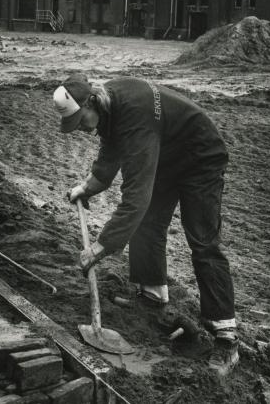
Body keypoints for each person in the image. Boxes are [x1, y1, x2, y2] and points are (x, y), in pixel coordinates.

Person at [52, 73, 240, 374]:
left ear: (91, 102)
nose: (83, 130)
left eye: (81, 121)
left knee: (202, 241)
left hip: (200, 156)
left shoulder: (134, 117)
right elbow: (110, 153)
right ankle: (152, 297)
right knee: (148, 223)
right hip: (166, 156)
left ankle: (226, 336)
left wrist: (99, 248)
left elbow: (134, 201)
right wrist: (87, 187)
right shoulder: (109, 106)